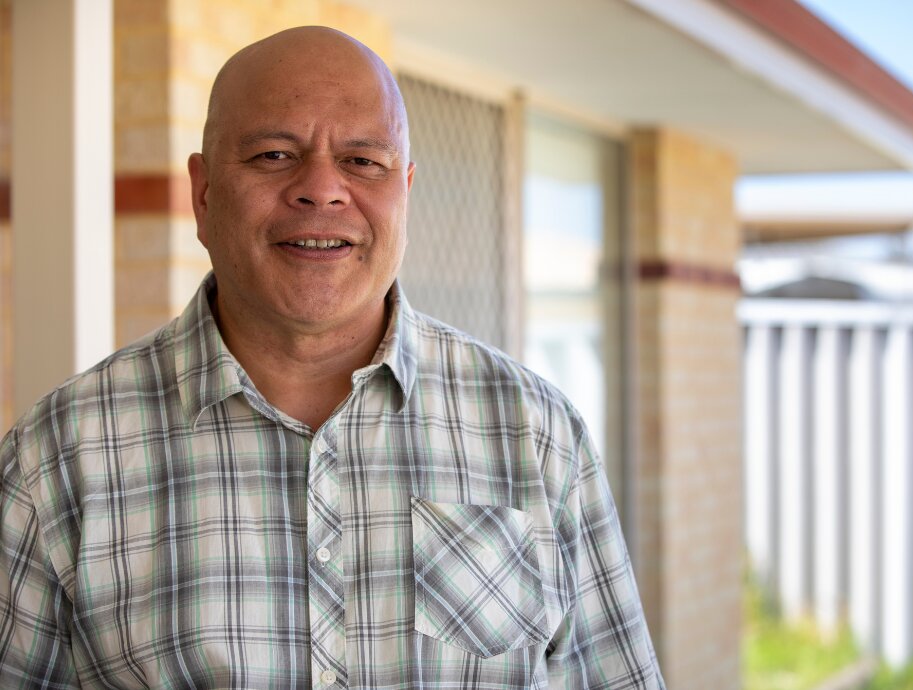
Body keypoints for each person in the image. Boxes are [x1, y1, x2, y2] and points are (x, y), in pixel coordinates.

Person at [0, 26, 665, 689]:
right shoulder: (59, 456)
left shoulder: (535, 433)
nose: (321, 189)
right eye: (271, 155)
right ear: (203, 194)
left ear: (404, 190)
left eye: (363, 162)